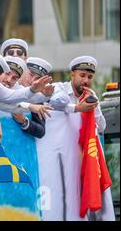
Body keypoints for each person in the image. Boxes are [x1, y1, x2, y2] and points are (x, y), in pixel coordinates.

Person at [38, 56, 114, 221]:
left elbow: (101, 127)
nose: (85, 81)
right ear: (72, 74)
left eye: (89, 77)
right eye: (82, 75)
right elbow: (58, 103)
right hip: (59, 159)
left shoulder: (90, 95)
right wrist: (78, 108)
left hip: (81, 160)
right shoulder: (59, 88)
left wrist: (95, 107)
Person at [0, 56, 50, 138]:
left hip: (21, 146)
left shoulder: (37, 97)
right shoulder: (1, 85)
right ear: (23, 72)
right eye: (31, 75)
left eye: (37, 78)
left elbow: (41, 131)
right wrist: (30, 106)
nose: (32, 81)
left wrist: (24, 121)